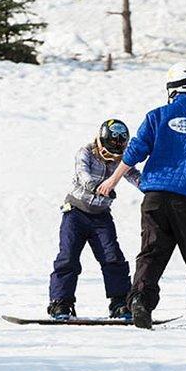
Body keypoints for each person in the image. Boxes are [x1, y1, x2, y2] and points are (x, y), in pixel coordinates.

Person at [95, 62, 186, 329]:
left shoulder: (157, 116)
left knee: (151, 254)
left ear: (172, 88)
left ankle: (141, 303)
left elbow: (134, 152)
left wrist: (113, 179)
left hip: (155, 198)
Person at [47, 119, 140, 320]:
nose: (113, 156)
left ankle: (120, 303)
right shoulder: (86, 152)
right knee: (68, 257)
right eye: (109, 150)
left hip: (101, 217)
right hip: (75, 213)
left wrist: (153, 187)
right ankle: (60, 303)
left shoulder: (121, 158)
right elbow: (83, 175)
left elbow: (133, 175)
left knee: (112, 257)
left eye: (117, 151)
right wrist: (98, 187)